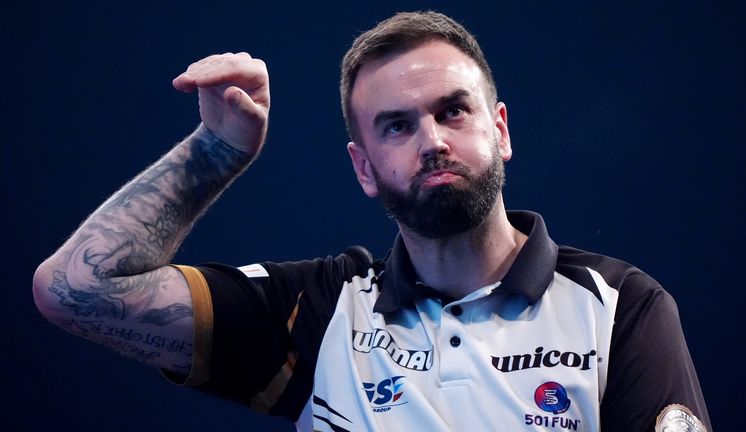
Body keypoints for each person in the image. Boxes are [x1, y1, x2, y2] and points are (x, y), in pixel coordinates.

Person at [32, 11, 710, 432]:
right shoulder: (318, 312)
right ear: (363, 167)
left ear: (500, 130)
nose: (432, 140)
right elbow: (75, 290)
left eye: (452, 111)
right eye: (396, 126)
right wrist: (215, 153)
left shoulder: (620, 307)